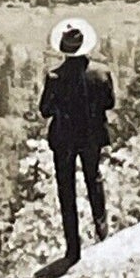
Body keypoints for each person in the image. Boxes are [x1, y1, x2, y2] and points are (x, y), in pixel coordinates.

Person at [39, 17, 114, 264]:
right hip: (92, 136)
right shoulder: (102, 74)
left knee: (66, 189)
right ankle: (103, 232)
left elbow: (45, 110)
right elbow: (110, 103)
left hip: (64, 139)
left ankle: (73, 249)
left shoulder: (55, 77)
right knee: (94, 179)